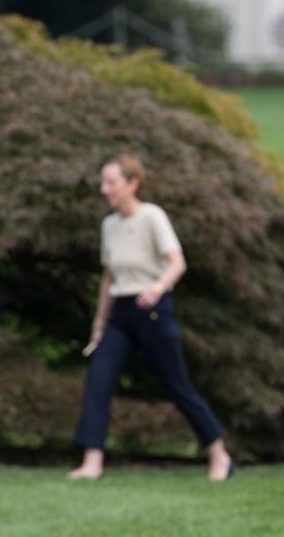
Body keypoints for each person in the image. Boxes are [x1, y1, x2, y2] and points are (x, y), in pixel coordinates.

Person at [68, 155, 236, 482]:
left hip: (154, 311)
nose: (104, 190)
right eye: (102, 183)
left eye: (111, 183)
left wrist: (158, 287)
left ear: (133, 184)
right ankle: (92, 461)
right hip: (120, 313)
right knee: (98, 378)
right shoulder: (109, 225)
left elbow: (177, 262)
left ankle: (219, 454)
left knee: (177, 385)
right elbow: (108, 278)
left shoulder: (152, 217)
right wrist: (99, 325)